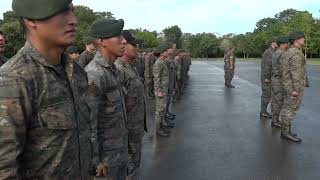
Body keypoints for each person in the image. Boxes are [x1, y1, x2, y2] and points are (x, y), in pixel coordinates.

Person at [0, 0, 93, 178]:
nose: (73, 20)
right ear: (31, 20)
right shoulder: (13, 80)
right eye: (61, 12)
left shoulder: (77, 72)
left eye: (72, 12)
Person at [85, 18, 129, 179]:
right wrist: (95, 160)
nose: (124, 41)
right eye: (118, 36)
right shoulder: (94, 74)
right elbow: (89, 123)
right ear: (102, 41)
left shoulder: (115, 70)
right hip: (106, 162)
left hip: (119, 153)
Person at [115, 30, 147, 180]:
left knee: (133, 165)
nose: (137, 47)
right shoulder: (119, 70)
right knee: (127, 167)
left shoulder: (129, 67)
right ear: (123, 46)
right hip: (126, 132)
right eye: (133, 45)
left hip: (135, 127)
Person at [280, 31, 307, 143]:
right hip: (293, 87)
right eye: (302, 38)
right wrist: (295, 90)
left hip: (287, 85)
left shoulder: (288, 52)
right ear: (296, 40)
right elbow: (295, 73)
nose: (304, 40)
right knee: (290, 109)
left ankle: (286, 131)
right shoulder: (296, 54)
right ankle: (285, 133)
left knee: (288, 108)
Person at [153, 43, 172, 137]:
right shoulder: (158, 63)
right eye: (165, 51)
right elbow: (156, 78)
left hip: (164, 89)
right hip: (161, 90)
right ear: (161, 53)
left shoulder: (162, 61)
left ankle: (161, 126)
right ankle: (158, 129)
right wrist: (158, 90)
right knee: (159, 110)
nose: (167, 52)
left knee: (163, 109)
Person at [270, 36, 289, 128]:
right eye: (287, 42)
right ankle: (275, 121)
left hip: (275, 79)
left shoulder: (276, 52)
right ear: (284, 43)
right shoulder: (282, 53)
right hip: (279, 80)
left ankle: (274, 120)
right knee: (279, 101)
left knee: (275, 100)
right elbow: (283, 68)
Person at [260, 38, 277, 118]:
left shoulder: (272, 51)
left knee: (268, 95)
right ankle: (263, 112)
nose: (277, 43)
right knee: (266, 95)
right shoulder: (268, 52)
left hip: (270, 77)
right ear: (272, 43)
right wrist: (267, 77)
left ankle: (264, 111)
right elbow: (267, 66)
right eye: (276, 42)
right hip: (267, 77)